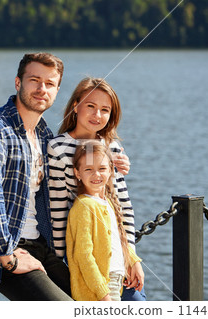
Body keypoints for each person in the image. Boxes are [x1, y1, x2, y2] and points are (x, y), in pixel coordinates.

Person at [0, 52, 72, 301]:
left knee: (95, 302)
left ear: (57, 90)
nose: (42, 89)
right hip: (3, 247)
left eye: (50, 84)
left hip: (42, 245)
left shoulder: (44, 134)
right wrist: (8, 257)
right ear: (18, 83)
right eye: (34, 80)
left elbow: (76, 169)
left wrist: (108, 156)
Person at [48, 77, 146, 300]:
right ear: (75, 106)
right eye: (90, 106)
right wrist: (65, 263)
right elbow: (59, 207)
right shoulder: (58, 147)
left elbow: (123, 208)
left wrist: (132, 258)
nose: (97, 115)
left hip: (117, 257)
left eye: (105, 110)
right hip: (85, 255)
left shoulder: (112, 146)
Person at [66, 140, 143, 301]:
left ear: (111, 171)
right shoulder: (83, 207)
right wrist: (103, 293)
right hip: (98, 290)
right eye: (89, 169)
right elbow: (83, 255)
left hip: (116, 282)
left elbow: (117, 239)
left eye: (102, 168)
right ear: (77, 173)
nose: (97, 175)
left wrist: (134, 260)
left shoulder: (108, 202)